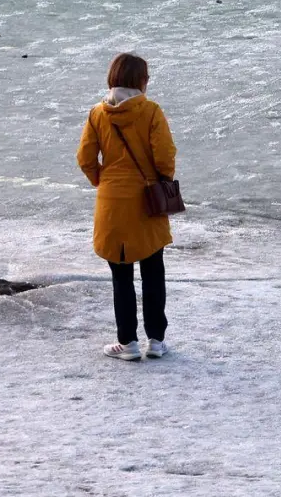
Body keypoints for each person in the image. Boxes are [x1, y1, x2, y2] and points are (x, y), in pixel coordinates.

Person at [76, 53, 177, 361]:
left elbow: (85, 158)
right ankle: (156, 340)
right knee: (153, 270)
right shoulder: (151, 111)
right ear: (140, 81)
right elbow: (165, 156)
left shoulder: (97, 114)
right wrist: (160, 181)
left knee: (121, 275)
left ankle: (128, 342)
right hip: (147, 201)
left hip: (112, 204)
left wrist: (103, 181)